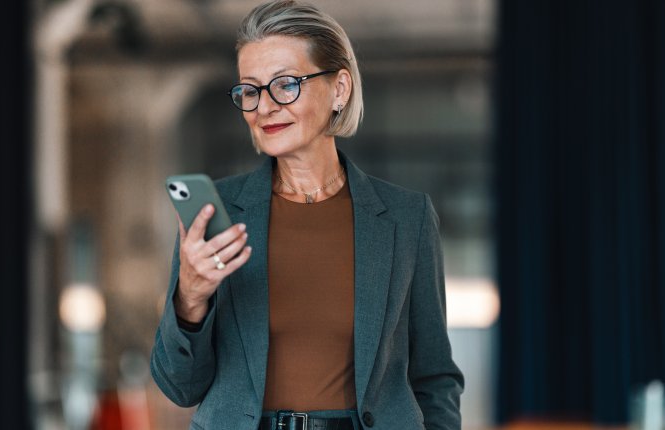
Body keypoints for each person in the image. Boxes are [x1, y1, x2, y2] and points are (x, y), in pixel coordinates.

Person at [150, 1, 464, 429]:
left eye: (285, 84)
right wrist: (190, 298)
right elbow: (179, 386)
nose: (264, 107)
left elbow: (434, 376)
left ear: (340, 89)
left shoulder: (407, 218)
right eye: (250, 90)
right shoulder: (216, 212)